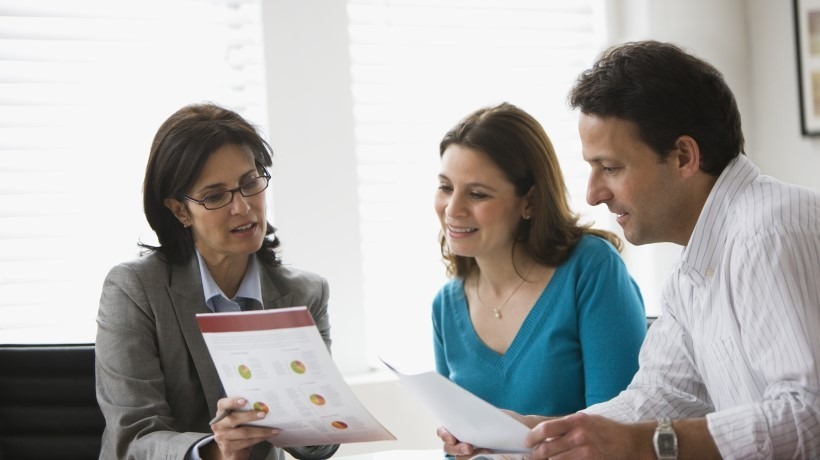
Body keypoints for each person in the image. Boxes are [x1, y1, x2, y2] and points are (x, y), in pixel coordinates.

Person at [442, 41, 820, 459]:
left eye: (611, 168)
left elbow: (809, 415)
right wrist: (542, 433)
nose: (593, 194)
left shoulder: (766, 232)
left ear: (683, 157)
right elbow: (659, 396)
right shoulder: (694, 269)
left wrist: (647, 444)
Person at [95, 102, 339, 460]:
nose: (242, 207)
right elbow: (133, 438)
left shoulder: (304, 293)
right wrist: (214, 450)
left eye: (249, 183)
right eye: (215, 196)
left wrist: (315, 422)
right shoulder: (134, 290)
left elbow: (319, 445)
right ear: (180, 210)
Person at [432, 102, 646, 419]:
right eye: (446, 187)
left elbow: (618, 431)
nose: (453, 209)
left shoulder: (591, 270)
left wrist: (526, 434)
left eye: (477, 194)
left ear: (529, 202)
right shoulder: (446, 307)